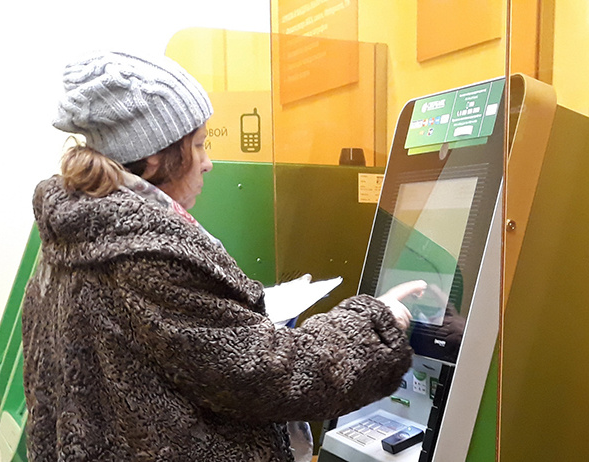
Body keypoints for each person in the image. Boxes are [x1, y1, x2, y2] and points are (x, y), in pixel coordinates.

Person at [22, 51, 425, 462]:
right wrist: (375, 325)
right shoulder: (147, 254)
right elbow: (266, 376)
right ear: (155, 156)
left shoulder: (77, 234)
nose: (208, 163)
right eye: (198, 145)